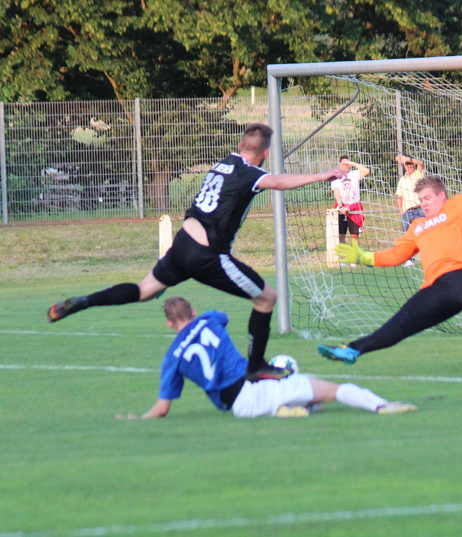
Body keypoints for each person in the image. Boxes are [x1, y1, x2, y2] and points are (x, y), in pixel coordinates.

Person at [48, 123, 344, 380]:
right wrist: (320, 176)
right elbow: (277, 182)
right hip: (206, 255)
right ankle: (255, 366)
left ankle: (84, 302)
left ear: (240, 145)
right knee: (267, 297)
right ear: (266, 153)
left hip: (182, 244)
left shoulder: (223, 163)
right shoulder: (249, 173)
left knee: (144, 290)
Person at [317, 137, 462, 375]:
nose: (425, 204)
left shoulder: (460, 204)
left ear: (442, 195)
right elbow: (398, 254)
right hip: (437, 287)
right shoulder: (418, 226)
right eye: (421, 200)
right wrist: (364, 257)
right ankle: (351, 350)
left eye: (428, 198)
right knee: (399, 324)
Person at [114, 297, 417, 419]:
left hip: (238, 407)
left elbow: (163, 408)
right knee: (336, 390)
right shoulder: (210, 319)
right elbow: (224, 316)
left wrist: (140, 418)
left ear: (169, 324)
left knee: (315, 403)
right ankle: (381, 406)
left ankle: (288, 408)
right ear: (192, 312)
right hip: (255, 388)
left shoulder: (171, 358)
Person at [332, 156, 370, 267]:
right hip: (342, 208)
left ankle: (355, 257)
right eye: (344, 163)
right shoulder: (336, 177)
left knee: (354, 235)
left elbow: (366, 171)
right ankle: (343, 258)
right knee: (341, 235)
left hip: (354, 208)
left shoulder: (355, 174)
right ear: (340, 165)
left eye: (348, 163)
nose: (346, 165)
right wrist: (340, 207)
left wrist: (353, 163)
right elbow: (337, 193)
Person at [395, 154, 425, 267]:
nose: (410, 166)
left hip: (419, 209)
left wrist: (408, 159)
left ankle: (426, 257)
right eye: (407, 164)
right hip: (407, 211)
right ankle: (409, 259)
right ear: (404, 166)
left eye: (411, 164)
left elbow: (421, 163)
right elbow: (399, 196)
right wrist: (400, 209)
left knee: (423, 234)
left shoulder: (418, 174)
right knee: (408, 236)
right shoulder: (402, 180)